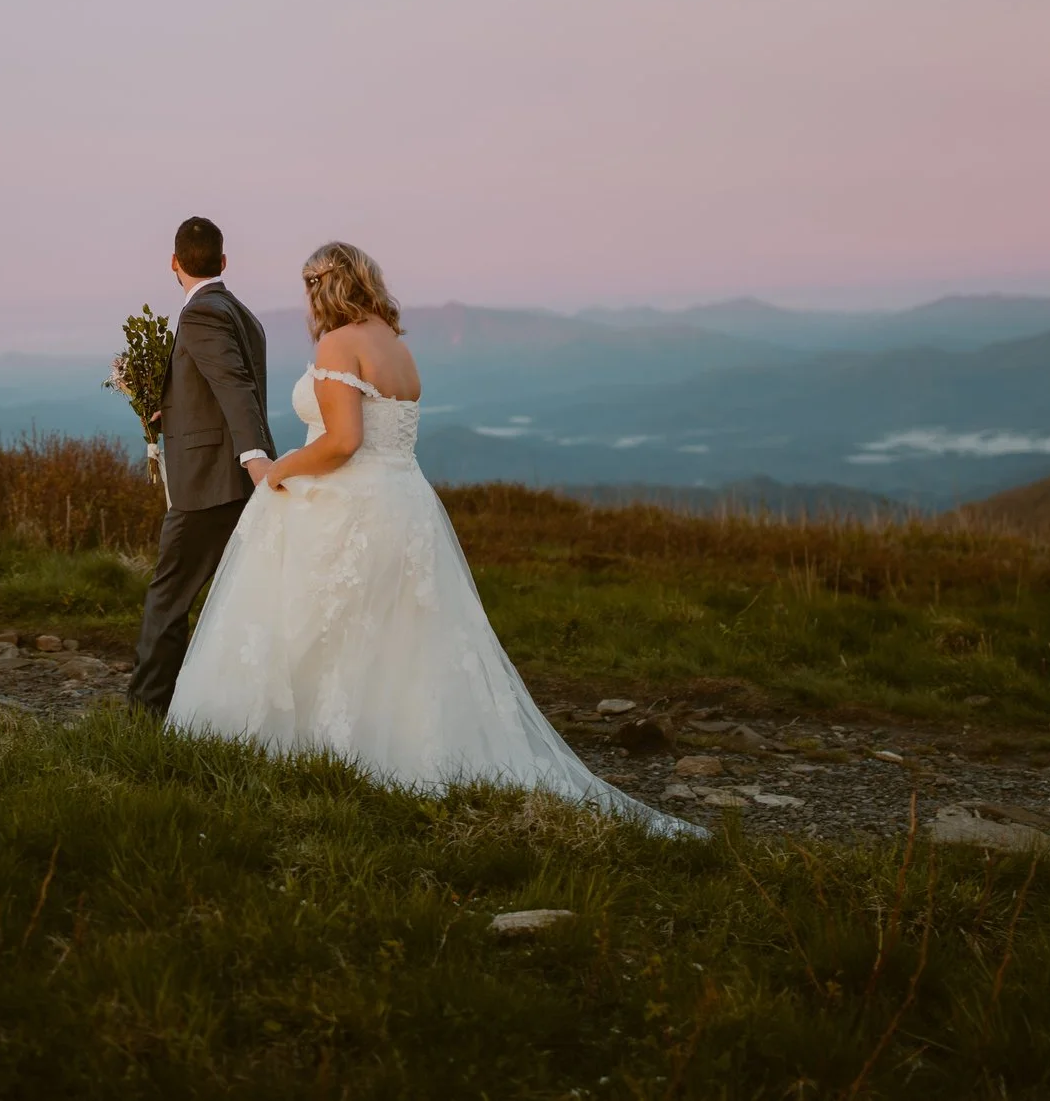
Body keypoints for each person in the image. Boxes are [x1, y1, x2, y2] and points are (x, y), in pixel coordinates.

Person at [167, 240, 706, 838]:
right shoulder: (395, 345)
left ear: (324, 286)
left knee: (321, 629)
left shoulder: (339, 343)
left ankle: (328, 753)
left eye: (309, 287)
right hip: (406, 503)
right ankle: (393, 742)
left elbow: (343, 442)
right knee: (400, 636)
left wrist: (280, 469)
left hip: (353, 506)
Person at [123, 216, 278, 717]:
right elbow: (221, 382)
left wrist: (257, 462)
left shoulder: (199, 315)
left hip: (211, 484)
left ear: (174, 263)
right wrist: (174, 404)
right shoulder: (241, 312)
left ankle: (146, 715)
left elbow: (235, 387)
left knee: (167, 598)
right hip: (227, 476)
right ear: (223, 261)